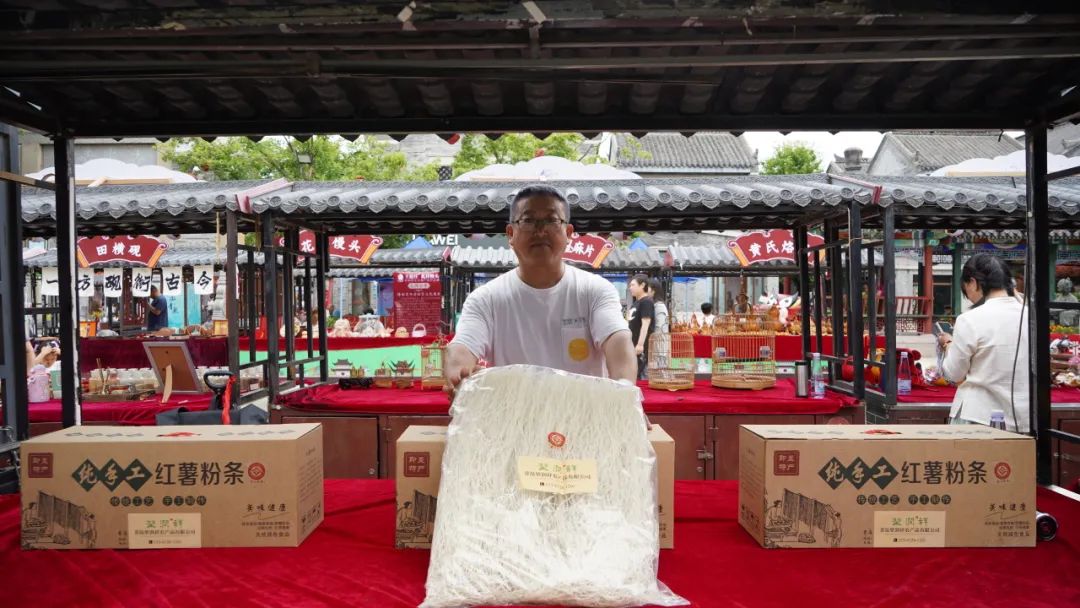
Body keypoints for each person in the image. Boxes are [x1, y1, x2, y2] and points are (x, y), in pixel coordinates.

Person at [444, 185, 636, 395]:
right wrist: (458, 374)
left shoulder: (595, 290)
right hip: (513, 413)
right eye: (528, 220)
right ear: (511, 234)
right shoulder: (485, 299)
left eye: (552, 220)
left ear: (568, 233)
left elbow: (618, 340)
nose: (540, 230)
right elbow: (462, 348)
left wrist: (624, 392)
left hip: (583, 412)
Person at [938, 253, 1029, 432]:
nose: (968, 296)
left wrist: (948, 345)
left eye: (966, 289)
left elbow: (954, 373)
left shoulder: (969, 320)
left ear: (973, 282)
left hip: (978, 416)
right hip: (1023, 419)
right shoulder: (1030, 316)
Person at [628, 274, 655, 380]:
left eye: (633, 285)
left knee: (640, 375)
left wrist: (640, 345)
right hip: (632, 344)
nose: (630, 288)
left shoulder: (646, 301)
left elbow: (646, 323)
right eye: (630, 285)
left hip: (641, 347)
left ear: (642, 285)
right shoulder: (636, 303)